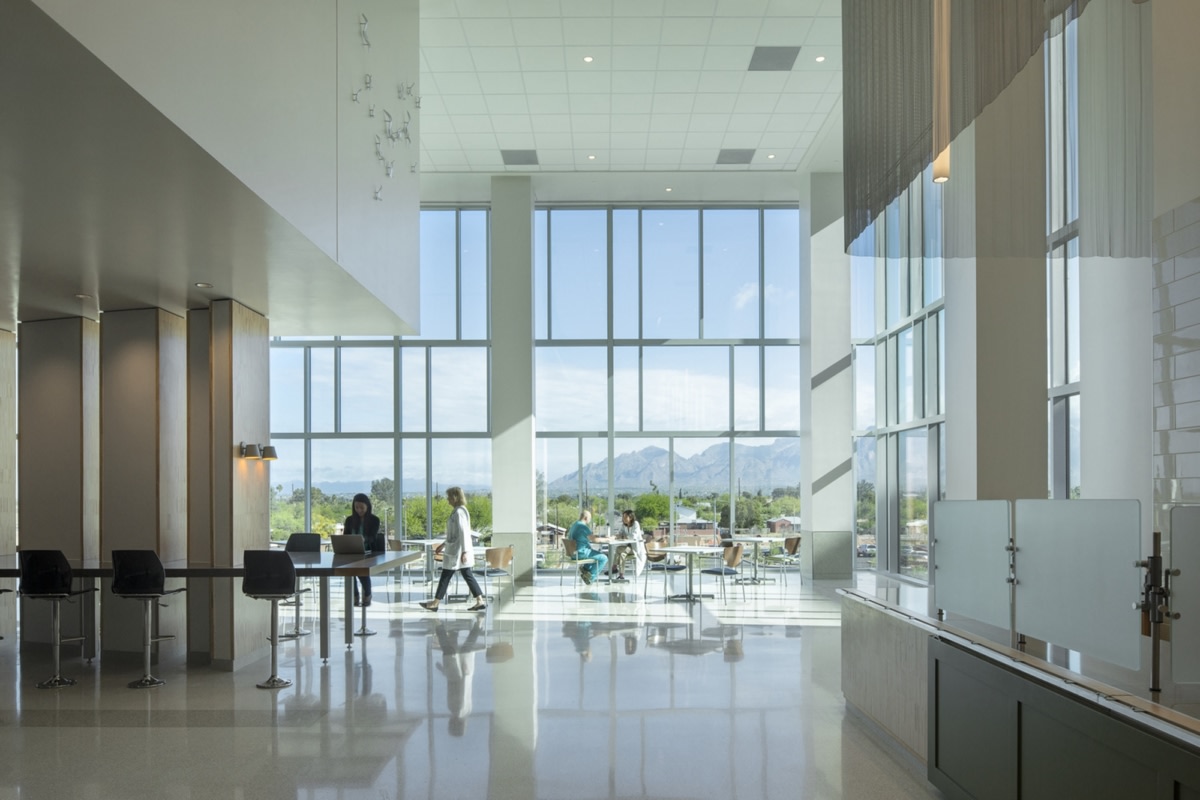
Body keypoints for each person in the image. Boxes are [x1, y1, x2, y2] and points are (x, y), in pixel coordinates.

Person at [420, 486, 486, 612]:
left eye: (449, 497)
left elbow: (463, 533)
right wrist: (443, 544)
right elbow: (454, 534)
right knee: (467, 575)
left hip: (457, 551)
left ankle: (435, 603)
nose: (447, 500)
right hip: (456, 549)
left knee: (446, 575)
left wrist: (465, 551)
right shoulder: (458, 511)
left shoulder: (459, 512)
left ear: (455, 497)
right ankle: (480, 600)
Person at [343, 492, 383, 606]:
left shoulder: (374, 520)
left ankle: (367, 594)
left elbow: (372, 537)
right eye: (356, 507)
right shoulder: (350, 520)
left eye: (361, 507)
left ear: (367, 506)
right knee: (350, 572)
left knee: (361, 571)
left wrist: (363, 540)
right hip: (351, 551)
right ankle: (355, 595)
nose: (359, 510)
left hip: (368, 551)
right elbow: (345, 536)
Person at [567, 509, 607, 585]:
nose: (590, 520)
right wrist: (607, 539)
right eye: (590, 518)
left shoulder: (574, 525)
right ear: (586, 518)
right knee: (604, 558)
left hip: (573, 553)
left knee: (596, 554)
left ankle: (585, 570)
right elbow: (594, 540)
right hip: (581, 553)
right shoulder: (583, 526)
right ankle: (590, 577)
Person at [613, 509, 647, 580]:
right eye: (623, 517)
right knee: (622, 554)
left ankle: (614, 567)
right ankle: (621, 575)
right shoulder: (623, 525)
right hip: (628, 547)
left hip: (636, 548)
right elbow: (619, 533)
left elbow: (633, 536)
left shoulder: (636, 524)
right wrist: (618, 536)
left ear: (631, 517)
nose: (623, 519)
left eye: (625, 517)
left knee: (618, 549)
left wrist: (622, 536)